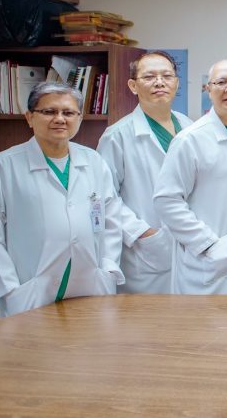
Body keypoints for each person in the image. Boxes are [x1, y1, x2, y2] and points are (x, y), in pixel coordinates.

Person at [0, 82, 123, 317]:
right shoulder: (2, 167)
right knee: (33, 352)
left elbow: (111, 221)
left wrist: (109, 270)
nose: (60, 119)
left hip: (91, 287)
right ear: (29, 117)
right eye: (49, 111)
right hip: (30, 292)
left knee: (88, 351)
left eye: (69, 112)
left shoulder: (93, 162)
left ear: (80, 118)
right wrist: (10, 291)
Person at [153, 60, 227, 295]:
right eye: (221, 82)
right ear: (208, 89)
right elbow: (166, 201)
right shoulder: (190, 140)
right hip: (210, 262)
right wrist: (210, 245)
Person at [97, 51, 192, 294]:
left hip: (191, 243)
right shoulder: (117, 136)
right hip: (147, 249)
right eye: (149, 76)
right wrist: (143, 233)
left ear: (176, 82)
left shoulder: (189, 126)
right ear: (133, 85)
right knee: (148, 325)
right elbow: (103, 197)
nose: (159, 82)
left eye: (166, 75)